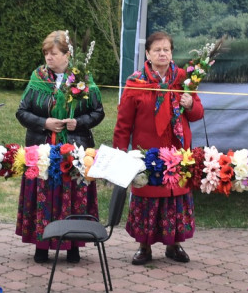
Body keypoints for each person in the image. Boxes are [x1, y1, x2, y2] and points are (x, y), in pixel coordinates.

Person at [113, 31, 204, 265]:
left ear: (172, 53)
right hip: (147, 153)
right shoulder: (136, 82)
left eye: (166, 49)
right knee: (148, 197)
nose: (162, 53)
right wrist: (120, 153)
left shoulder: (184, 79)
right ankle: (144, 247)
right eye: (157, 50)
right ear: (148, 54)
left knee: (175, 197)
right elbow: (124, 123)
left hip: (177, 152)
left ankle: (174, 245)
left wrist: (190, 103)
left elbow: (197, 114)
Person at [15, 31, 104, 263]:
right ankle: (42, 246)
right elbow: (22, 112)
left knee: (73, 196)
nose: (48, 58)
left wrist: (78, 123)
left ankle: (73, 245)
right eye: (46, 53)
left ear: (67, 55)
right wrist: (44, 123)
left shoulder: (82, 77)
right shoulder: (38, 76)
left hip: (75, 150)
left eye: (53, 53)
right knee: (44, 196)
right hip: (43, 149)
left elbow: (98, 112)